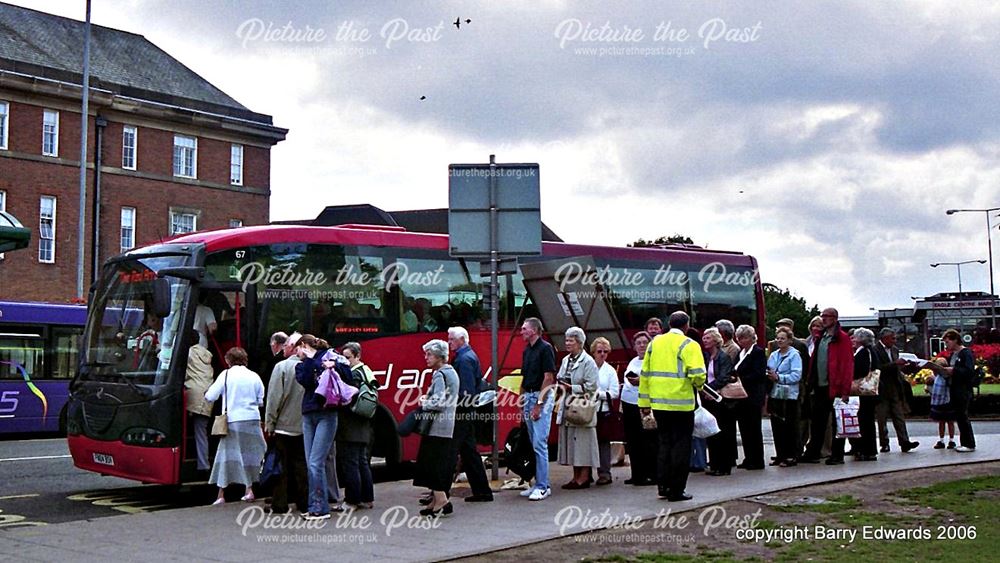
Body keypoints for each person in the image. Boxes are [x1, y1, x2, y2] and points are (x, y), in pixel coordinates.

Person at [639, 311, 706, 502]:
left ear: (668, 324)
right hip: (682, 404)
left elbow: (645, 374)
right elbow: (698, 374)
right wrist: (699, 386)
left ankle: (663, 486)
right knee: (681, 447)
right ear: (686, 326)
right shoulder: (689, 344)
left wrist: (644, 403)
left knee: (664, 445)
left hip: (659, 404)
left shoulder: (655, 343)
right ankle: (677, 490)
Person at [205, 347, 265, 505]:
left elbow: (210, 396)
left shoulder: (225, 375)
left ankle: (221, 495)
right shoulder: (254, 376)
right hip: (252, 419)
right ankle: (249, 489)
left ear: (228, 360)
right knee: (250, 455)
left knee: (225, 457)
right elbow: (261, 400)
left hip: (233, 421)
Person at [295, 334, 343, 520]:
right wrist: (312, 361)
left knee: (315, 462)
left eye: (297, 348)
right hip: (309, 415)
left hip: (327, 413)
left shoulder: (332, 355)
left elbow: (347, 374)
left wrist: (332, 365)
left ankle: (319, 508)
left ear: (304, 345)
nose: (295, 353)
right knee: (313, 463)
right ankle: (319, 504)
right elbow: (307, 381)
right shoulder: (302, 365)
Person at [800, 308, 854, 464]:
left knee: (837, 422)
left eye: (826, 317)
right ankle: (813, 452)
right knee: (817, 421)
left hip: (834, 386)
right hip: (820, 386)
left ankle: (837, 454)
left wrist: (845, 390)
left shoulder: (841, 338)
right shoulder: (821, 338)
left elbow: (846, 364)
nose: (823, 319)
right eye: (822, 316)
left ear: (835, 318)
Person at [446, 327, 493, 503]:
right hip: (467, 413)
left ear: (462, 340)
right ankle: (483, 491)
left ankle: (440, 493)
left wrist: (455, 408)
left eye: (451, 339)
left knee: (450, 452)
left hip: (462, 413)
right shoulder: (467, 356)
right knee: (469, 453)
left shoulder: (464, 360)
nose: (449, 342)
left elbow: (466, 391)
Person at [264, 332, 308, 515]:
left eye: (287, 345)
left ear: (293, 347)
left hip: (284, 426)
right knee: (301, 465)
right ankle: (304, 502)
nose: (284, 348)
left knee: (281, 466)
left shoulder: (281, 368)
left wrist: (270, 423)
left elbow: (274, 399)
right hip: (305, 425)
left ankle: (280, 504)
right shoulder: (309, 367)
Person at [414, 339, 460, 517]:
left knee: (432, 464)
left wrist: (425, 401)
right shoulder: (451, 372)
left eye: (429, 354)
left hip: (437, 426)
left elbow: (439, 401)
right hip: (446, 425)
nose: (426, 357)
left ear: (439, 357)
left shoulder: (440, 374)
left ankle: (441, 500)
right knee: (437, 462)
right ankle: (435, 501)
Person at [555, 327, 600, 489]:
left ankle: (584, 477)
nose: (567, 343)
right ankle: (575, 477)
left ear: (580, 343)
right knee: (573, 443)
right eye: (566, 340)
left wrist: (572, 388)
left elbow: (592, 387)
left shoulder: (588, 362)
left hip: (582, 408)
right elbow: (560, 376)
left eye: (571, 341)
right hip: (568, 406)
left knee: (583, 443)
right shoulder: (566, 360)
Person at [519, 317, 557, 501]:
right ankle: (538, 483)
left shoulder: (545, 348)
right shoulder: (527, 350)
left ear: (534, 330)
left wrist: (539, 404)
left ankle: (543, 486)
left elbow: (548, 378)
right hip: (529, 396)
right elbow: (525, 377)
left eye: (524, 328)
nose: (521, 331)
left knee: (539, 443)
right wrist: (522, 398)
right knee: (534, 441)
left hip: (539, 397)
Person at [337, 342, 376, 509]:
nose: (345, 362)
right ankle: (367, 498)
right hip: (363, 423)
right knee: (362, 461)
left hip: (350, 423)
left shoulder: (354, 375)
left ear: (357, 356)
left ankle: (352, 500)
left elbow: (347, 397)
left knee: (351, 462)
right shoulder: (366, 371)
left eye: (348, 358)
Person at [831, 328, 879, 462]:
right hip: (866, 393)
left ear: (861, 339)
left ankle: (867, 450)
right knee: (865, 420)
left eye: (854, 338)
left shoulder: (865, 352)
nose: (852, 340)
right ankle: (864, 449)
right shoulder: (867, 351)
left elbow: (861, 370)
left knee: (865, 421)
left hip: (864, 392)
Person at [926, 329, 976, 452]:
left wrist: (953, 371)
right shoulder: (954, 355)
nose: (946, 345)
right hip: (953, 389)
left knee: (963, 416)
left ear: (955, 340)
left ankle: (969, 444)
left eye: (947, 342)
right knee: (959, 416)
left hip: (963, 390)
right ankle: (965, 442)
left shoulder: (965, 353)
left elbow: (969, 371)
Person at [873, 328, 919, 453]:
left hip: (895, 387)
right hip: (881, 388)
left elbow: (896, 367)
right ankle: (884, 444)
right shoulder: (875, 350)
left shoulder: (894, 350)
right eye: (892, 338)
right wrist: (895, 364)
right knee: (882, 419)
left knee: (899, 416)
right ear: (885, 338)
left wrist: (904, 367)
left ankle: (905, 442)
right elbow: (877, 368)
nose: (895, 341)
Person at [621, 331, 658, 486]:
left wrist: (640, 381)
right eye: (638, 343)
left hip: (645, 405)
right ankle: (637, 474)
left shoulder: (654, 360)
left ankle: (652, 474)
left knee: (648, 441)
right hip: (628, 403)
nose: (642, 345)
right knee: (633, 441)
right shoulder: (633, 361)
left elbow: (654, 379)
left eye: (644, 342)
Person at [701, 327, 735, 476]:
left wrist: (709, 390)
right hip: (709, 399)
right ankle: (714, 463)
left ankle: (724, 465)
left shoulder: (723, 357)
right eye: (704, 338)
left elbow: (724, 376)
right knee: (711, 431)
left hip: (720, 400)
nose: (704, 340)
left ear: (715, 340)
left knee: (722, 432)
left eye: (707, 338)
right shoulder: (707, 357)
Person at [767, 327, 802, 467]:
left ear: (789, 340)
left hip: (789, 396)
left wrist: (779, 377)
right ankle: (780, 455)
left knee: (789, 426)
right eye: (778, 338)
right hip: (775, 394)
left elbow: (796, 375)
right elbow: (769, 369)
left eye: (783, 338)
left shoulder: (794, 355)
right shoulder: (774, 355)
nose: (780, 341)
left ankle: (791, 456)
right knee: (777, 426)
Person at [733, 324, 767, 470]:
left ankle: (757, 459)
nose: (741, 340)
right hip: (741, 396)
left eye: (744, 337)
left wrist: (741, 378)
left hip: (753, 395)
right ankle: (748, 457)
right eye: (739, 338)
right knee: (744, 428)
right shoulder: (740, 353)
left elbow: (759, 373)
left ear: (752, 338)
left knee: (754, 428)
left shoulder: (758, 353)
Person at [591, 336, 620, 486]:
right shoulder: (589, 367)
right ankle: (586, 473)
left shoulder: (610, 371)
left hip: (603, 411)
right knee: (588, 442)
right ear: (593, 352)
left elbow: (614, 392)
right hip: (588, 410)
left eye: (605, 352)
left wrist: (599, 394)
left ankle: (604, 473)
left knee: (603, 442)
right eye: (599, 351)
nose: (602, 354)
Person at [184, 330, 214, 472]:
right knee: (201, 429)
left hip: (194, 396)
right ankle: (203, 463)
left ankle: (203, 465)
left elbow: (168, 359)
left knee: (199, 431)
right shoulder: (205, 353)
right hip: (207, 395)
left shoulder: (188, 353)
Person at [927, 359, 956, 449]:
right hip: (943, 401)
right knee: (943, 422)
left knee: (947, 421)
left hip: (946, 401)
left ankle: (950, 440)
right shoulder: (937, 377)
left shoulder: (946, 377)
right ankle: (943, 440)